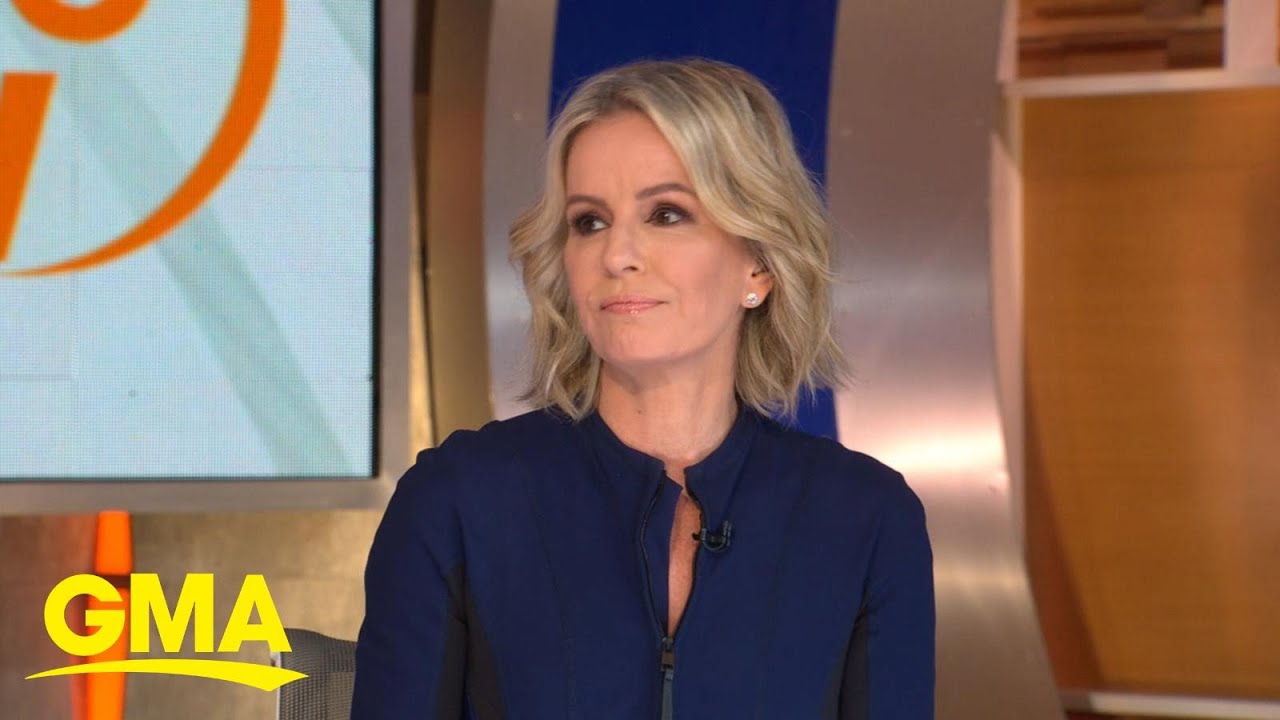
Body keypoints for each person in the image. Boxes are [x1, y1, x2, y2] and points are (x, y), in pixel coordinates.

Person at [350, 58, 934, 719]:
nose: (617, 255)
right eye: (589, 222)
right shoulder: (456, 498)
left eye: (666, 214)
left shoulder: (867, 515)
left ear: (759, 265)